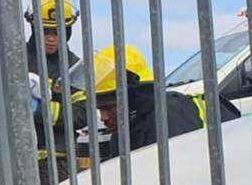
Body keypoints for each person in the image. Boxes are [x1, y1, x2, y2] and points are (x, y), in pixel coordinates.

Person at [78, 44, 239, 155]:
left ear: (134, 98)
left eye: (109, 108)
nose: (103, 117)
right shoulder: (128, 128)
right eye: (99, 109)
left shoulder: (170, 116)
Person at [25, 0, 88, 185]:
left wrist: (40, 111)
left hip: (59, 163)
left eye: (59, 31)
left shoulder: (75, 67)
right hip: (17, 160)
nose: (52, 38)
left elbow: (83, 114)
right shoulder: (14, 60)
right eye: (46, 31)